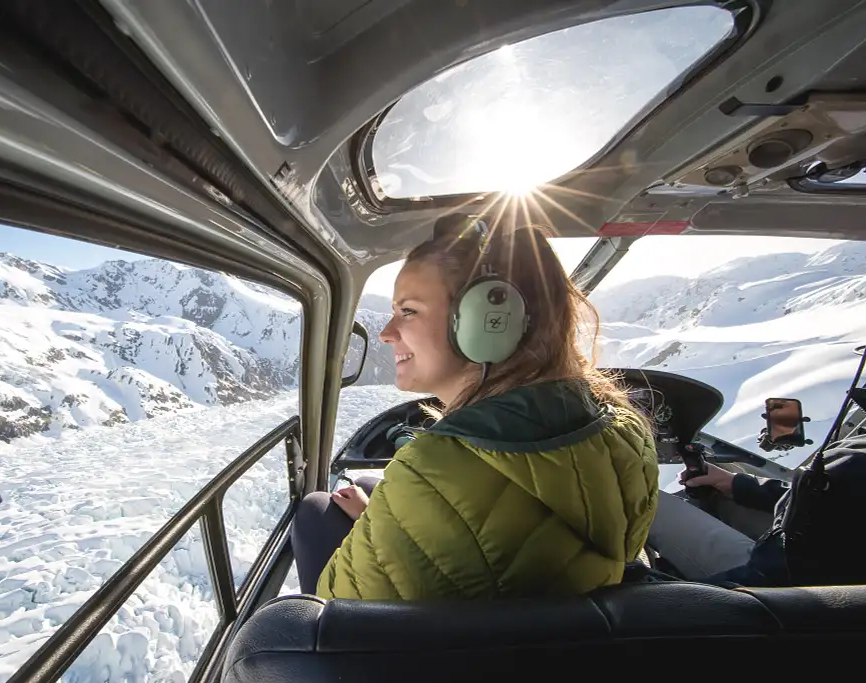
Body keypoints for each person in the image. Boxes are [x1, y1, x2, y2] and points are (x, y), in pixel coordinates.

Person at [291, 213, 660, 600]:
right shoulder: (627, 432)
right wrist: (386, 521)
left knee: (317, 512)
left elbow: (337, 604)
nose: (386, 333)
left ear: (487, 322)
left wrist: (391, 520)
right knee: (370, 485)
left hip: (429, 655)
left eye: (408, 311)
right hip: (568, 633)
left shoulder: (430, 471)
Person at [651, 434, 866, 587]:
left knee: (651, 502)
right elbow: (818, 497)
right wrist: (737, 484)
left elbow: (771, 580)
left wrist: (664, 592)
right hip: (802, 554)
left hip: (784, 590)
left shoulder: (855, 464)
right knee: (727, 473)